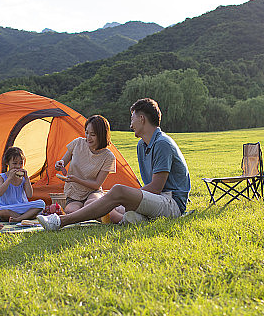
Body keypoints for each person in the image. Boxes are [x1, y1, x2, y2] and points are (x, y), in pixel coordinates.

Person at [37, 98, 190, 230]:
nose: (131, 125)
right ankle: (132, 218)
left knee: (117, 191)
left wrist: (125, 197)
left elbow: (156, 188)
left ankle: (60, 221)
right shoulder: (142, 146)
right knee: (121, 211)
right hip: (157, 199)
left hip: (171, 203)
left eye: (132, 119)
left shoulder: (162, 144)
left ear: (142, 119)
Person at [55, 115, 117, 214]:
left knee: (91, 204)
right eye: (87, 133)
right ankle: (106, 211)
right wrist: (59, 164)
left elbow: (96, 185)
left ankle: (115, 214)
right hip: (74, 194)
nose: (88, 137)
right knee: (71, 211)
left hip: (93, 192)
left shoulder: (108, 157)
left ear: (101, 135)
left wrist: (76, 179)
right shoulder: (77, 143)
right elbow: (61, 164)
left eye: (93, 134)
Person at [0, 147, 46, 222]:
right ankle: (27, 216)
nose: (18, 166)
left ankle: (19, 218)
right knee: (1, 212)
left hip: (21, 206)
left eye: (21, 163)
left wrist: (27, 179)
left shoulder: (23, 178)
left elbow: (29, 195)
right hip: (7, 207)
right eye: (14, 163)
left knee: (41, 203)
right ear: (7, 163)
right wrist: (9, 179)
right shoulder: (2, 177)